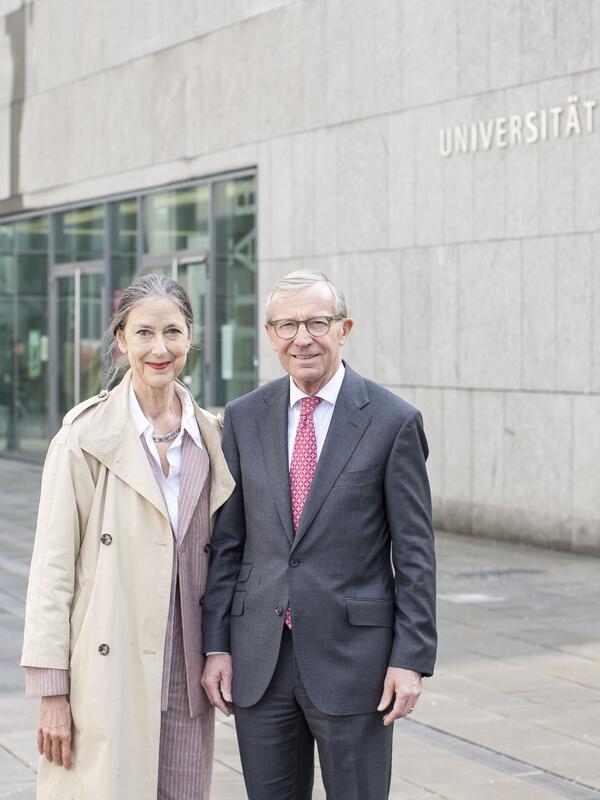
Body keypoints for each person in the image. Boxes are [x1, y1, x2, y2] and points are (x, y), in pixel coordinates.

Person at [201, 271, 437, 800]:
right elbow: (229, 544)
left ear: (344, 328)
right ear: (269, 333)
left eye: (316, 322)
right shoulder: (242, 418)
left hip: (356, 664)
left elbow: (415, 553)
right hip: (259, 660)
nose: (301, 338)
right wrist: (216, 644)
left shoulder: (393, 422)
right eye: (287, 324)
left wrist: (410, 658)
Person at [21, 274, 234, 800]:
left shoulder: (213, 437)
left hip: (188, 669)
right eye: (143, 333)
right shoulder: (84, 438)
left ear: (190, 339)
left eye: (172, 332)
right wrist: (52, 693)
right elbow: (51, 568)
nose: (159, 348)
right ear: (121, 340)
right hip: (107, 667)